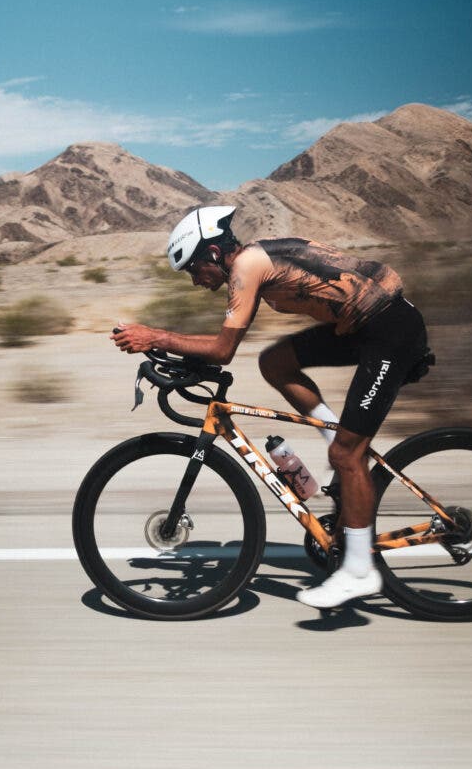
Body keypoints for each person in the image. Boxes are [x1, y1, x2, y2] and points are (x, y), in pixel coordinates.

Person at [112, 206, 430, 608]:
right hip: (362, 325)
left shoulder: (248, 265)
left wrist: (154, 335)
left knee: (346, 455)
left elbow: (223, 350)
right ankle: (338, 438)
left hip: (388, 329)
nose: (195, 282)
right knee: (275, 362)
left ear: (213, 253)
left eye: (194, 269)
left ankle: (358, 572)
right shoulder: (256, 261)